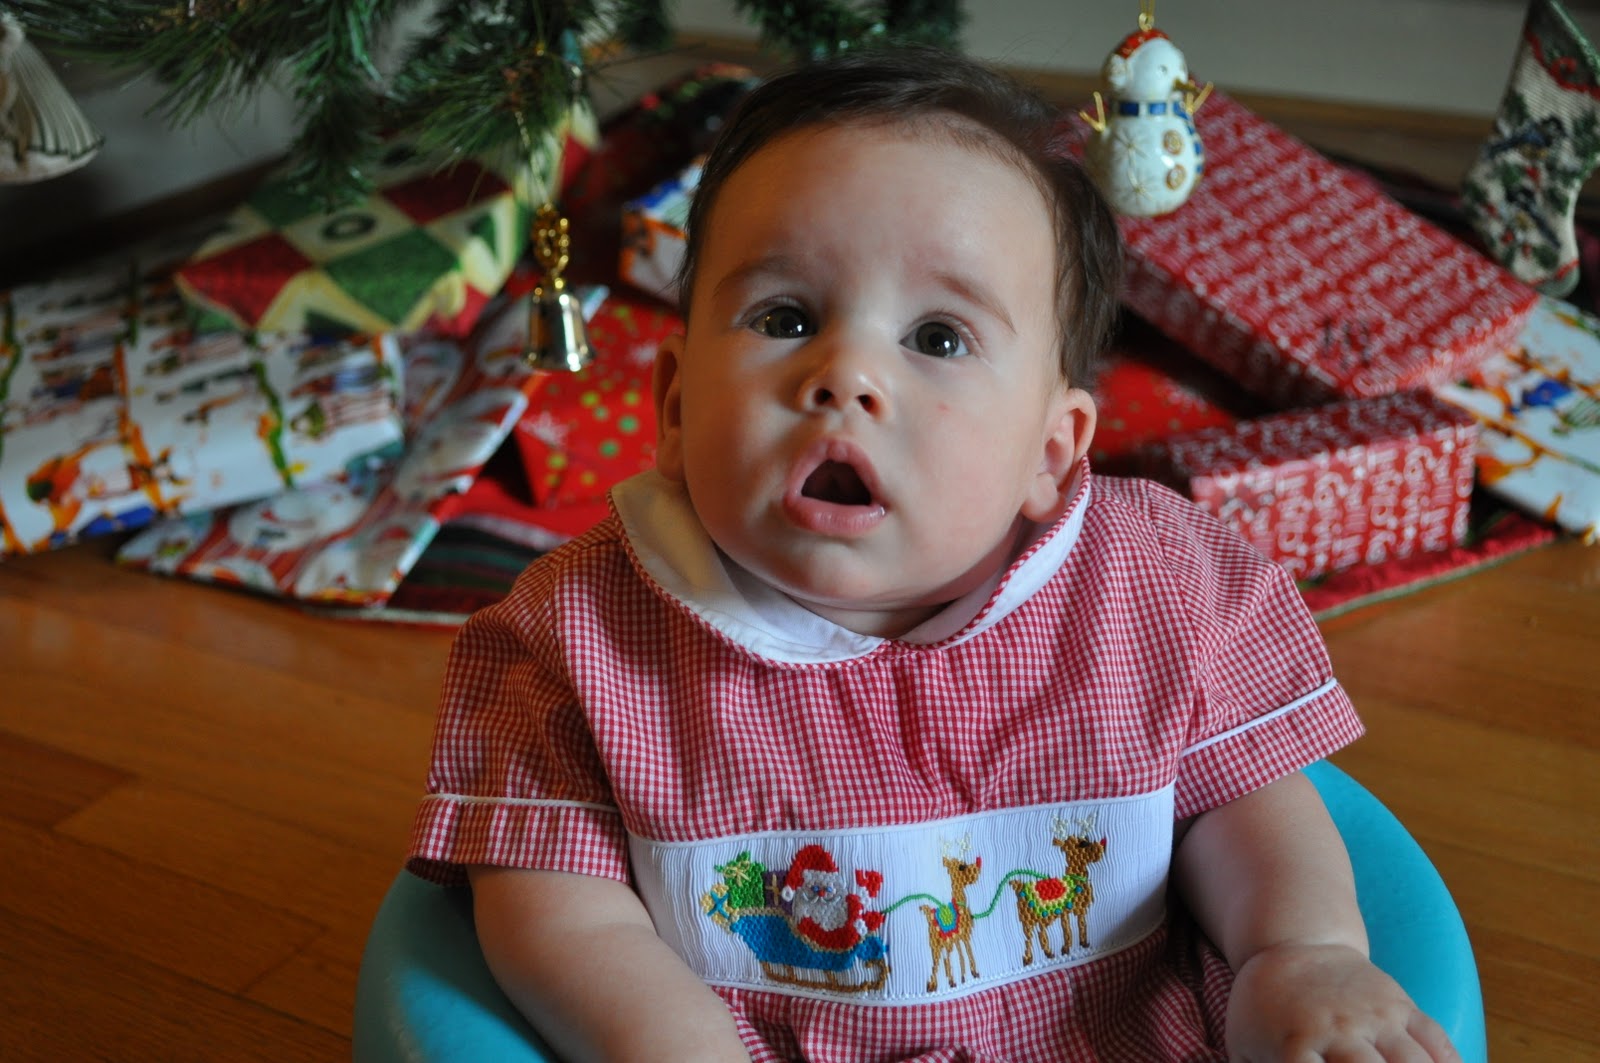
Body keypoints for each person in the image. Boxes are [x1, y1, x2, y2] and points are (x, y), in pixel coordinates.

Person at [407, 47, 1462, 1063]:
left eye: (938, 338)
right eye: (785, 316)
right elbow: (555, 902)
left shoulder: (1154, 585)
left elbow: (1239, 797)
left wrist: (1299, 952)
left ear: (1050, 450)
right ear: (676, 407)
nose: (845, 373)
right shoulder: (578, 637)